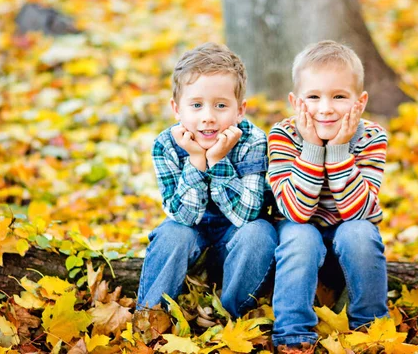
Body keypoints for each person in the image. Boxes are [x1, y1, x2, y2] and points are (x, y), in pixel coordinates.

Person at [137, 42, 277, 318]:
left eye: (221, 105)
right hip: (191, 229)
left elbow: (247, 214)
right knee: (171, 234)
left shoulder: (253, 140)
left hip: (236, 231)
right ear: (177, 109)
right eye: (197, 105)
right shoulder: (166, 144)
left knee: (260, 234)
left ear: (240, 110)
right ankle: (150, 316)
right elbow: (183, 216)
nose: (208, 118)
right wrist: (196, 161)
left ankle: (231, 314)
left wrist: (218, 160)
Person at [268, 40, 389, 353]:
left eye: (339, 96)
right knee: (300, 236)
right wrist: (311, 148)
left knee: (360, 232)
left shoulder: (371, 138)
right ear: (296, 102)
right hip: (299, 228)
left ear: (359, 102)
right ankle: (293, 333)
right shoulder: (283, 136)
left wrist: (337, 150)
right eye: (313, 97)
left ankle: (371, 327)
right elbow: (295, 211)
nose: (325, 108)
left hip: (348, 230)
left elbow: (358, 210)